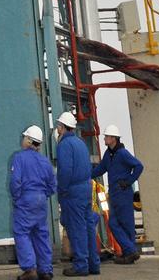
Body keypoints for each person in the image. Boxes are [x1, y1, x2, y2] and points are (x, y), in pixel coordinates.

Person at [55, 112, 99, 278]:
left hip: (73, 192)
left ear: (62, 127)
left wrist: (62, 190)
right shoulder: (80, 143)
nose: (57, 130)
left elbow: (65, 171)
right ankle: (93, 264)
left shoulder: (64, 145)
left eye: (58, 126)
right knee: (88, 227)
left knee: (76, 228)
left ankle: (81, 265)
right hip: (86, 189)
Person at [9, 125, 57, 280]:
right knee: (41, 234)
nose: (23, 140)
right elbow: (52, 185)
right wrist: (43, 195)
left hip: (26, 199)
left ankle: (30, 269)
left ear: (29, 141)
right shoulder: (45, 161)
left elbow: (15, 182)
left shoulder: (19, 158)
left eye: (24, 137)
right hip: (41, 200)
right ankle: (46, 270)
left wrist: (17, 198)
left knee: (22, 233)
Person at [91, 125, 143, 265]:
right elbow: (101, 169)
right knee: (116, 223)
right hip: (114, 193)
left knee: (125, 224)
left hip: (123, 193)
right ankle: (130, 252)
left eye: (107, 136)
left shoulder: (122, 153)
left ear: (113, 138)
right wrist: (85, 174)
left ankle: (130, 252)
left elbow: (139, 166)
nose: (104, 138)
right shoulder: (109, 154)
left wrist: (129, 181)